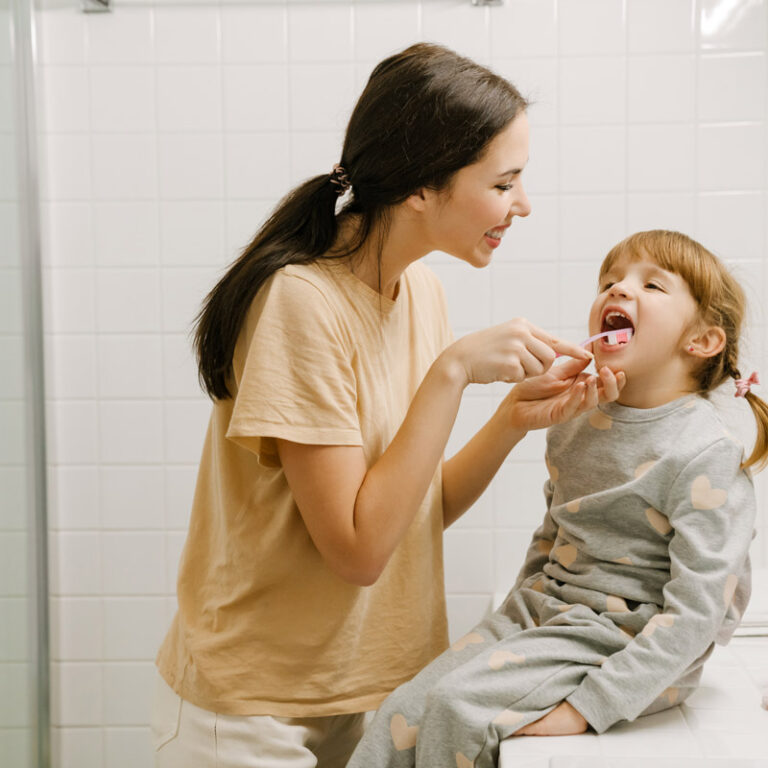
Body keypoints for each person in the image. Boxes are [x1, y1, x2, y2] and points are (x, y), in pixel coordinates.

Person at [150, 43, 625, 767]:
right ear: (420, 189)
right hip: (251, 713)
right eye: (505, 183)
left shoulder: (419, 290)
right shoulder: (300, 302)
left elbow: (407, 515)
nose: (522, 204)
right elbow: (360, 551)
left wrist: (509, 422)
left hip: (356, 691)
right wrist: (455, 370)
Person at [346, 229, 766, 768]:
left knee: (455, 708)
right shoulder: (575, 424)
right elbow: (552, 540)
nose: (617, 291)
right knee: (400, 709)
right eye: (609, 281)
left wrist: (592, 706)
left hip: (623, 641)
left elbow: (698, 614)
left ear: (703, 341)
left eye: (652, 285)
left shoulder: (705, 452)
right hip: (544, 615)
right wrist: (508, 623)